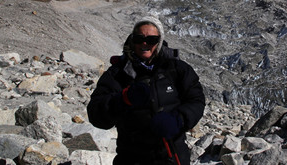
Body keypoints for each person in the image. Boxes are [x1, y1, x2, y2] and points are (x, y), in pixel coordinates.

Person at [87, 16, 205, 165]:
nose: (144, 43)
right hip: (132, 157)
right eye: (139, 38)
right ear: (132, 40)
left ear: (159, 42)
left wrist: (179, 119)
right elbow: (96, 114)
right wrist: (123, 99)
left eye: (151, 40)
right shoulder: (118, 73)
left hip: (172, 156)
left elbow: (196, 100)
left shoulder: (177, 69)